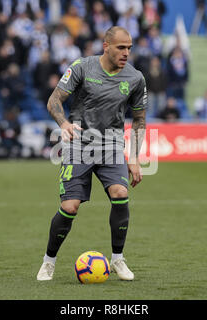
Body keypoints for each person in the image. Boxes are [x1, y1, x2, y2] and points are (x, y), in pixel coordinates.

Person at [36, 26, 147, 281]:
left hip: (110, 146)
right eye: (121, 47)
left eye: (129, 47)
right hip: (80, 146)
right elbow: (54, 100)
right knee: (70, 207)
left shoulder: (135, 78)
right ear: (106, 46)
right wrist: (63, 124)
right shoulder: (82, 67)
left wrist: (135, 158)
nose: (126, 53)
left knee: (120, 194)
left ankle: (117, 259)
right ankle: (48, 261)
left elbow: (139, 120)